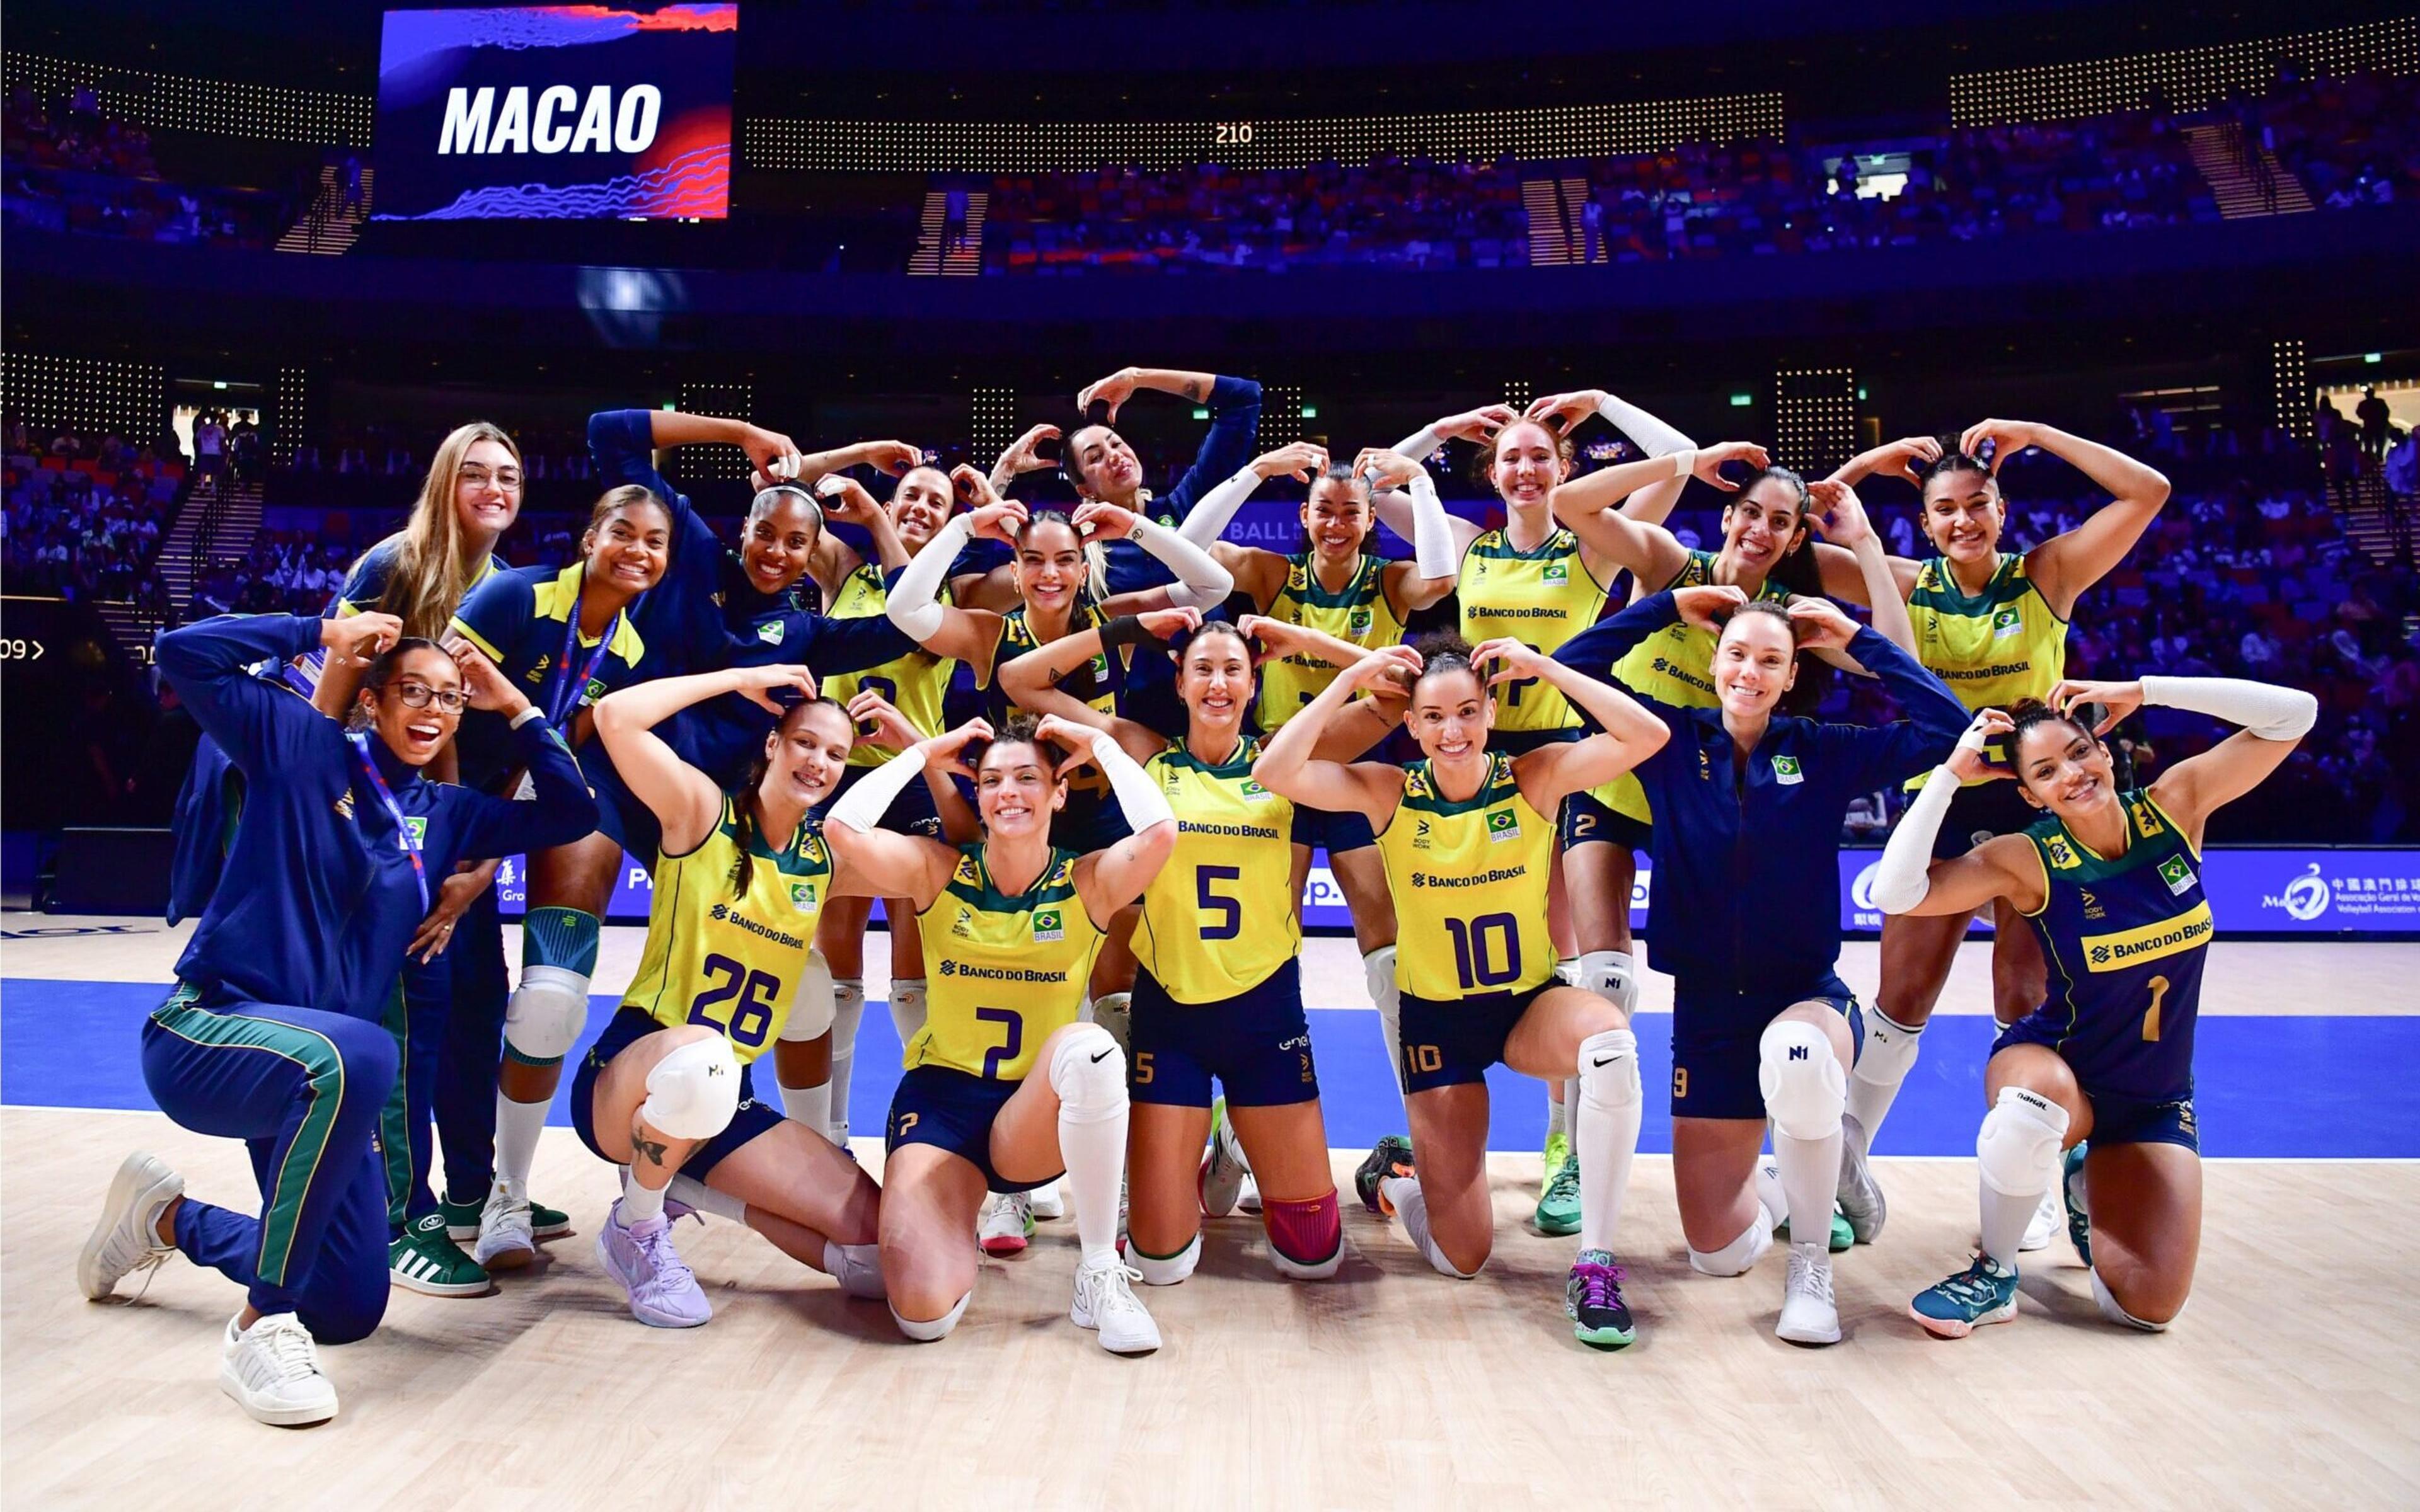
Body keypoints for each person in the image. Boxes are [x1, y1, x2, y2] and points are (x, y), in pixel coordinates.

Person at [79, 610, 593, 1425]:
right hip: (212, 1032)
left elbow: (573, 812)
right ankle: (257, 1330)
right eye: (414, 691)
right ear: (377, 699)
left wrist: (517, 707)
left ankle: (166, 1216)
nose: (431, 709)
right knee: (362, 1051)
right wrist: (315, 630)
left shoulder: (448, 811)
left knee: (350, 1307)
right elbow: (183, 654)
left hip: (320, 1078)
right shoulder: (301, 748)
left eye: (451, 698)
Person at [1550, 583, 1964, 1344]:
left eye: (1771, 659)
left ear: (1792, 672)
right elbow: (1571, 665)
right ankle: (1802, 1173)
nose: (1751, 671)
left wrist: (1856, 636)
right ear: (1715, 661)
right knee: (1715, 1252)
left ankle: (1812, 1265)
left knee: (1799, 1056)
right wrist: (1669, 607)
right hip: (1708, 1011)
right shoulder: (1667, 743)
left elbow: (1950, 729)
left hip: (1805, 994)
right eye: (1737, 653)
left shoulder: (1824, 749)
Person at [1253, 633, 1669, 1346]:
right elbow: (1274, 768)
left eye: (1468, 713)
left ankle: (1595, 1262)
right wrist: (1352, 676)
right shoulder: (1386, 793)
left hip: (1527, 1006)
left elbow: (1647, 734)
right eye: (1435, 717)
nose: (1453, 732)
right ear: (1411, 725)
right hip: (1438, 1027)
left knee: (1610, 1044)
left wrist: (1545, 668)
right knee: (1461, 1258)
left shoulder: (1533, 778)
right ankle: (1397, 1179)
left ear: (1490, 715)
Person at [1870, 675, 2316, 1336]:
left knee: (2147, 1309)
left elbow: (2295, 715)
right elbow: (1895, 894)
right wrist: (1947, 778)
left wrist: (2148, 691)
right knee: (2027, 1113)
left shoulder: (2175, 807)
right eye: (2048, 772)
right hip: (2059, 1066)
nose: (2072, 775)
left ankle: (2088, 1177)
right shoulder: (2027, 858)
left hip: (2154, 1100)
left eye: (2079, 754)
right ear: (2030, 796)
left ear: (2106, 753)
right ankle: (1993, 1273)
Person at [1827, 422, 2170, 1246]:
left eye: (1977, 504)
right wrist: (1868, 467)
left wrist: (2039, 434)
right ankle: (1841, 1171)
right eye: (1944, 509)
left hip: (2034, 811)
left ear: (2001, 508)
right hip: (1941, 801)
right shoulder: (1903, 582)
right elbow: (1801, 529)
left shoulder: (2045, 575)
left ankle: (2040, 1181)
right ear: (1924, 520)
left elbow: (2147, 491)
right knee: (1901, 997)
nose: (1962, 521)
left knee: (2025, 998)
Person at [1373, 392, 1702, 1231]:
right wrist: (1438, 430)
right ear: (1492, 472)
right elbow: (1374, 483)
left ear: (1563, 470)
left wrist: (1604, 404)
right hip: (1468, 759)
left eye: (1541, 458)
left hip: (1559, 761)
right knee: (1449, 951)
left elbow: (1682, 457)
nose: (1525, 470)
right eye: (1510, 458)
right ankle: (1443, 1133)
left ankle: (1563, 1148)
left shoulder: (1592, 547)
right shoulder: (1472, 550)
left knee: (1569, 964)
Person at [1001, 607, 1405, 1284]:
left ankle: (1229, 1141)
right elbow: (1020, 680)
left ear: (1253, 683)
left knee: (1313, 1257)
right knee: (1159, 1265)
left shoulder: (1288, 756)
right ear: (1181, 682)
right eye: (1203, 670)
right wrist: (1130, 627)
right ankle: (1213, 1140)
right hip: (1173, 1017)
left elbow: (1397, 689)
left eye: (1233, 671)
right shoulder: (1145, 752)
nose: (1218, 684)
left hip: (1266, 1015)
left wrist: (1302, 642)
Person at [1146, 438, 1460, 1209]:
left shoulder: (1392, 581)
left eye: (1351, 511)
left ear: (1368, 519)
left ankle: (1422, 1134)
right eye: (1323, 509)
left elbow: (1444, 578)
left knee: (1386, 950)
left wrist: (1416, 478)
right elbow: (1186, 544)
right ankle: (1235, 1131)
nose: (1337, 523)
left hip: (1344, 767)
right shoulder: (1271, 572)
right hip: (1270, 782)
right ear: (1304, 516)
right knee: (1265, 937)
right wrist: (1252, 472)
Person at [579, 665, 938, 1326]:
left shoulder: (825, 861)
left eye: (836, 754)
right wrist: (738, 679)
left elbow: (953, 853)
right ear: (773, 745)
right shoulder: (702, 815)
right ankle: (635, 1230)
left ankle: (684, 1184)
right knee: (704, 1059)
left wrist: (914, 747)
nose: (820, 762)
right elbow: (615, 719)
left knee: (878, 1259)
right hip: (631, 1079)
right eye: (805, 743)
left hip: (724, 1099)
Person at [821, 712, 1178, 1353]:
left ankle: (1099, 1274)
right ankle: (952, 1221)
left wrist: (1098, 744)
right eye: (992, 781)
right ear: (977, 795)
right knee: (922, 1314)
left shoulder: (1086, 882)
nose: (1008, 791)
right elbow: (842, 831)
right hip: (942, 1106)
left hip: (1031, 1114)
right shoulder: (938, 871)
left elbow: (1159, 833)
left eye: (1026, 778)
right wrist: (924, 753)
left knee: (1092, 1048)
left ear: (1058, 792)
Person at [447, 483, 672, 1271]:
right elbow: (440, 709)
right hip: (448, 793)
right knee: (439, 1007)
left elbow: (558, 754)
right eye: (623, 532)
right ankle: (408, 1199)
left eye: (656, 541)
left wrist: (485, 865)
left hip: (536, 793)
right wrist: (452, 837)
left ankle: (506, 1195)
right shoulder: (513, 596)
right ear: (588, 538)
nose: (638, 551)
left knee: (547, 1002)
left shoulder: (634, 655)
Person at [998, 365, 1260, 597]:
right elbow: (971, 575)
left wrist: (1138, 378)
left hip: (1206, 652)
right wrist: (1005, 469)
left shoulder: (1184, 507)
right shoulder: (1078, 550)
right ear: (1085, 489)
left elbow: (1243, 398)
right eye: (1096, 457)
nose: (1114, 456)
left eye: (1116, 444)